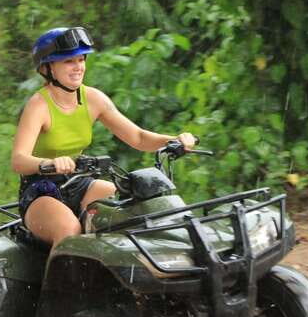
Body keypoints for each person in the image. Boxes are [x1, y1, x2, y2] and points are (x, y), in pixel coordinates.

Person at [11, 27, 197, 246]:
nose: (78, 67)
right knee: (69, 230)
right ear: (48, 67)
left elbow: (137, 137)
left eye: (81, 60)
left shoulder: (93, 98)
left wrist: (175, 140)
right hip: (41, 190)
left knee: (132, 208)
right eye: (69, 61)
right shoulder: (39, 105)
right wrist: (48, 163)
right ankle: (65, 281)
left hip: (79, 182)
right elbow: (18, 160)